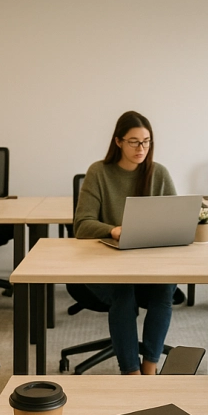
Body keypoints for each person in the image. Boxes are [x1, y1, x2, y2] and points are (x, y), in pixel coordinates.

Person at [73, 110, 177, 375]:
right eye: (134, 141)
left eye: (146, 141)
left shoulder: (159, 174)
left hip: (148, 265)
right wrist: (114, 230)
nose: (141, 148)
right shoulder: (99, 172)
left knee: (165, 290)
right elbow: (82, 225)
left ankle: (150, 367)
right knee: (123, 291)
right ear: (118, 142)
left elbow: (175, 220)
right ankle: (131, 373)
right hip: (106, 266)